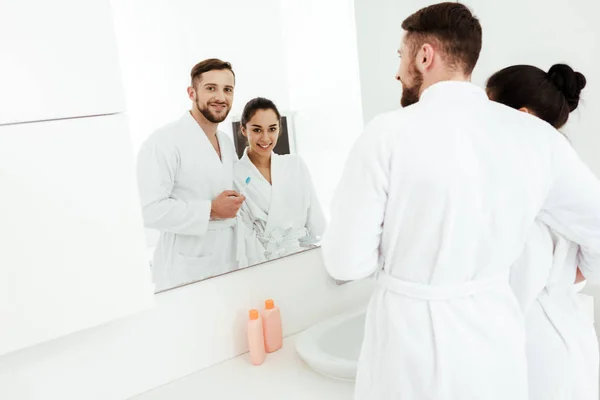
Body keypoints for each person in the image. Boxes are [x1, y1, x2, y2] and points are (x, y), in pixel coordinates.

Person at [321, 3, 600, 399]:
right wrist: (579, 271)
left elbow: (345, 262)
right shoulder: (536, 138)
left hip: (408, 348)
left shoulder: (386, 135)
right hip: (494, 345)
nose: (398, 71)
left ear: (424, 55)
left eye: (401, 57)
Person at [487, 63, 598, 400]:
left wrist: (569, 274)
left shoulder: (547, 171)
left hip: (542, 346)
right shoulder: (533, 170)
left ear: (522, 116)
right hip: (549, 334)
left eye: (489, 107)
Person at [136, 58, 244, 292]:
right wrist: (210, 210)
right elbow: (148, 210)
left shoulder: (225, 142)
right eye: (210, 88)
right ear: (191, 93)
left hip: (229, 261)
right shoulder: (164, 141)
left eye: (228, 90)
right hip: (185, 268)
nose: (220, 97)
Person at [234, 97, 326, 267]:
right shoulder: (235, 176)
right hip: (263, 265)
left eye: (272, 129)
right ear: (244, 130)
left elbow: (316, 221)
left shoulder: (295, 165)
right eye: (257, 130)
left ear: (279, 129)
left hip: (305, 258)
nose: (265, 138)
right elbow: (243, 238)